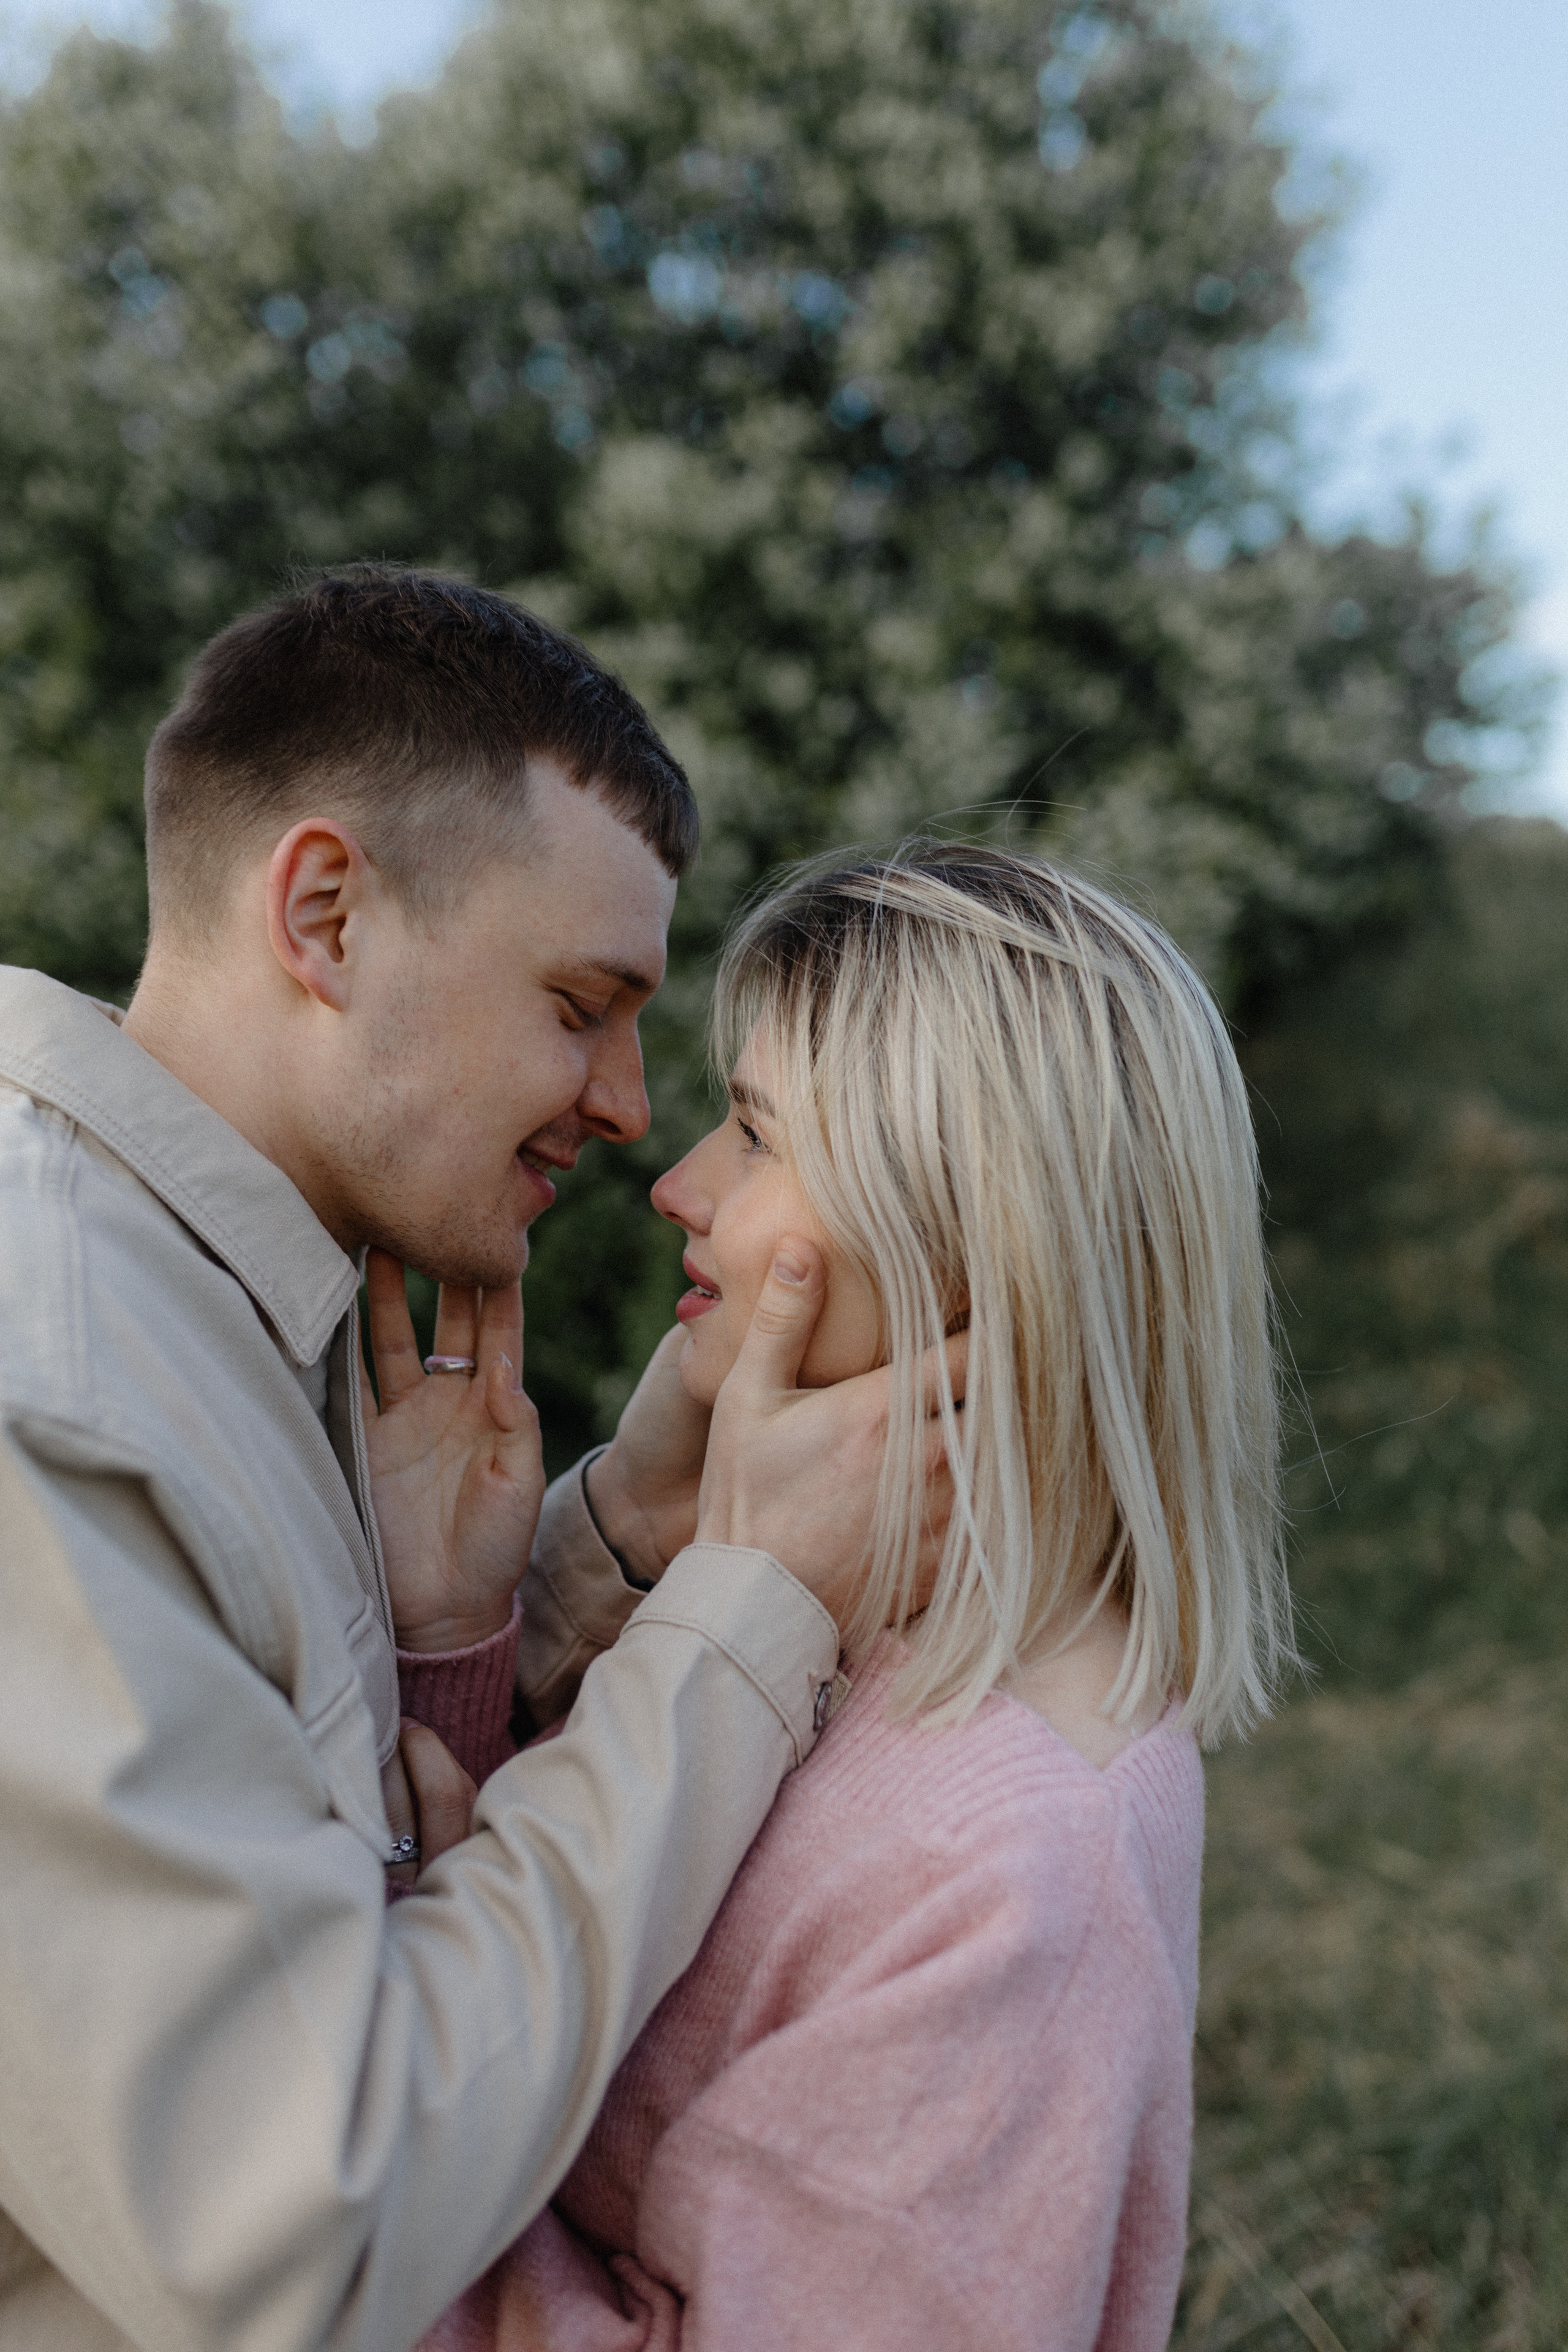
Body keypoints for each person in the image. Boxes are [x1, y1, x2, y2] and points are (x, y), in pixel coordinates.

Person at [0, 571, 959, 2352]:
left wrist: (596, 1554)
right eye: (583, 1003)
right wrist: (740, 1625)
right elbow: (294, 2223)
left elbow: (254, 1821)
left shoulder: (205, 1314)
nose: (625, 1105)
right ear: (328, 915)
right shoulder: (50, 1385)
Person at [395, 844, 1296, 2352]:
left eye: (753, 1134)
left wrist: (380, 2014)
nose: (676, 1181)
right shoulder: (802, 1593)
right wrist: (493, 1619)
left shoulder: (1009, 1880)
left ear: (960, 1242)